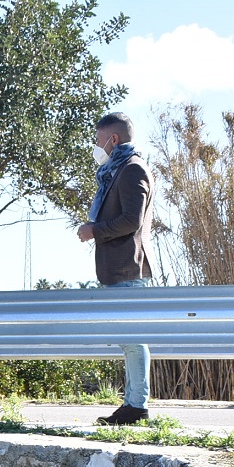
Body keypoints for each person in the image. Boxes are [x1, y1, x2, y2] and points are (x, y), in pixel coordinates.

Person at [76, 111, 157, 425]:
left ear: (113, 139)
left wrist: (94, 230)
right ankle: (133, 404)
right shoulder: (119, 170)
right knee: (129, 338)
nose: (96, 147)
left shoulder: (132, 169)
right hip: (119, 267)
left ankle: (136, 406)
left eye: (99, 141)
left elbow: (131, 221)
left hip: (129, 267)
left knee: (133, 338)